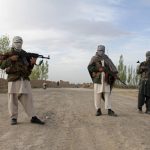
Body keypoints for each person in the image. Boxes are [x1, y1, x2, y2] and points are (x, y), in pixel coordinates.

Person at [0, 36, 45, 125]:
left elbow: (28, 68)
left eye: (20, 42)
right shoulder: (9, 54)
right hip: (13, 80)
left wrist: (32, 64)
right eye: (16, 42)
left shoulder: (25, 54)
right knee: (12, 99)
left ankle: (33, 117)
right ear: (13, 43)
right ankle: (13, 118)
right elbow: (2, 66)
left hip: (24, 79)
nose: (18, 44)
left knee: (28, 99)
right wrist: (10, 59)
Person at [88, 45, 118, 116]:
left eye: (102, 51)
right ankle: (98, 110)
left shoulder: (107, 58)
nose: (100, 52)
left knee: (107, 94)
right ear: (97, 50)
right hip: (97, 79)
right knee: (97, 95)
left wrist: (114, 74)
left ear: (104, 51)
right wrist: (98, 69)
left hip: (106, 79)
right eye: (99, 50)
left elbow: (112, 67)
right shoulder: (94, 58)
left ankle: (109, 110)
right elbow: (89, 67)